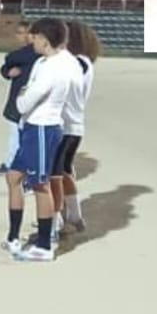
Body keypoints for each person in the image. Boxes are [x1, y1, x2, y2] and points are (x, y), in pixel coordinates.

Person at [4, 17, 78, 262]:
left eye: (34, 37)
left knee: (40, 185)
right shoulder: (49, 61)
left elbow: (24, 101)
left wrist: (23, 94)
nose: (30, 41)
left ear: (44, 40)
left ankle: (45, 245)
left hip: (43, 129)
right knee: (13, 177)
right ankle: (14, 236)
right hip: (32, 128)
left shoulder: (54, 68)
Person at [54, 20, 100, 235]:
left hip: (65, 125)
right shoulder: (84, 62)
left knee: (54, 173)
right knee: (64, 171)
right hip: (72, 124)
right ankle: (73, 215)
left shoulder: (78, 63)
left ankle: (57, 219)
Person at [0, 22, 38, 177]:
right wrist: (7, 72)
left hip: (29, 101)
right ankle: (11, 163)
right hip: (17, 99)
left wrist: (9, 61)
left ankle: (17, 165)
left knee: (23, 135)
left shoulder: (34, 53)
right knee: (15, 134)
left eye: (24, 33)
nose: (21, 36)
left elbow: (12, 57)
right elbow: (5, 68)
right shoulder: (22, 54)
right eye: (19, 33)